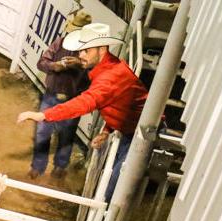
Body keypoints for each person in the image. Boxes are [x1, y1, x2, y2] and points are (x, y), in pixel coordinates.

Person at [17, 22, 148, 202]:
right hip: (132, 130)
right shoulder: (109, 69)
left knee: (111, 192)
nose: (81, 55)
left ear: (101, 49)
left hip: (139, 135)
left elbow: (87, 101)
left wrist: (44, 115)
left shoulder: (109, 76)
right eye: (81, 50)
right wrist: (107, 130)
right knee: (109, 185)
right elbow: (122, 104)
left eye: (86, 51)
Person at [28, 10, 92, 180]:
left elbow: (94, 75)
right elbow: (41, 62)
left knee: (66, 134)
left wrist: (79, 64)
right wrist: (54, 66)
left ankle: (60, 167)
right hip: (52, 95)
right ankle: (38, 166)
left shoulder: (90, 52)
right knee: (43, 132)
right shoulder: (60, 42)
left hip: (74, 99)